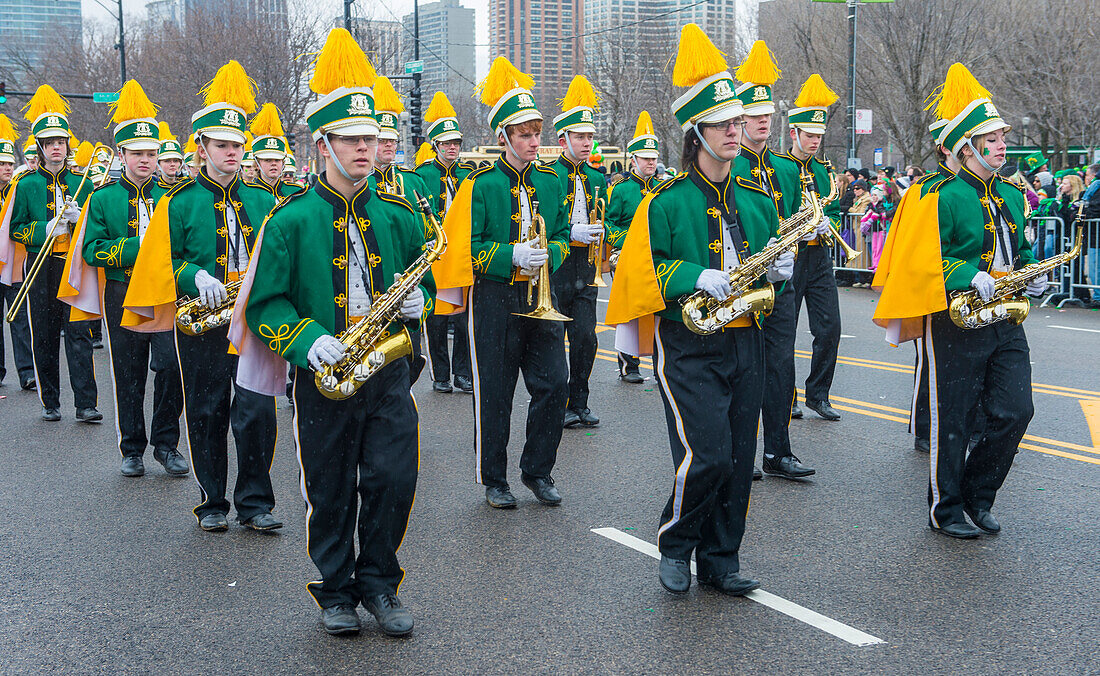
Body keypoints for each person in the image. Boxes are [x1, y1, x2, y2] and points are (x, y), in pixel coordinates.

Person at [238, 28, 428, 637]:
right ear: (323, 145)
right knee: (331, 487)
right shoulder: (290, 219)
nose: (365, 150)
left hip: (388, 367)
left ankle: (381, 583)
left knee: (394, 479)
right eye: (351, 140)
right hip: (325, 371)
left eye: (371, 139)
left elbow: (419, 270)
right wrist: (307, 339)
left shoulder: (398, 214)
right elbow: (264, 305)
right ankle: (337, 589)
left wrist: (417, 303)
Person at [607, 24, 792, 596]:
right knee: (707, 453)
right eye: (723, 124)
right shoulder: (664, 202)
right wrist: (695, 276)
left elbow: (771, 281)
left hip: (746, 338)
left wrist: (778, 276)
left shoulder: (760, 202)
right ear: (696, 133)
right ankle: (676, 541)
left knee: (738, 458)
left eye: (738, 123)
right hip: (688, 341)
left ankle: (721, 557)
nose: (736, 133)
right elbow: (645, 274)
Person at [875, 63, 1041, 538]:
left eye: (1002, 136)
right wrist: (970, 274)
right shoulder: (935, 194)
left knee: (1016, 409)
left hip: (1004, 316)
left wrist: (1030, 274)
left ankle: (977, 496)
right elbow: (920, 259)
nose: (1002, 144)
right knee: (954, 416)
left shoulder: (1011, 195)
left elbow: (1020, 249)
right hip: (955, 315)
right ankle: (945, 509)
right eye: (992, 138)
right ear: (967, 146)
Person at [123, 61, 280, 533]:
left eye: (237, 145)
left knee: (256, 412)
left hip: (254, 321)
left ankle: (254, 501)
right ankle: (212, 501)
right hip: (202, 322)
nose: (232, 153)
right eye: (222, 145)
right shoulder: (178, 201)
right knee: (208, 409)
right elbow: (159, 262)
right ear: (202, 147)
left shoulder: (264, 200)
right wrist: (193, 275)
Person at [432, 56, 570, 509]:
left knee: (554, 385)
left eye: (536, 132)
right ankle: (495, 479)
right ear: (503, 137)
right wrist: (509, 254)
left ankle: (537, 471)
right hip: (494, 300)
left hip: (540, 296)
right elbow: (462, 248)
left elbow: (566, 233)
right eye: (524, 134)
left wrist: (554, 252)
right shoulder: (480, 185)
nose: (534, 141)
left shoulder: (552, 181)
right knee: (495, 392)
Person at [65, 80, 186, 478]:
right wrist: (140, 246)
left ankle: (166, 444)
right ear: (122, 154)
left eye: (152, 153)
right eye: (138, 154)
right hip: (121, 289)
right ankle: (131, 446)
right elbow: (91, 249)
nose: (146, 161)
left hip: (165, 292)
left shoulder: (174, 195)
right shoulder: (102, 198)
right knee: (129, 371)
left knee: (170, 367)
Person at [732, 40, 819, 480]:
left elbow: (791, 215)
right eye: (753, 115)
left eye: (767, 115)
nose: (763, 121)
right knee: (745, 369)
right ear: (738, 121)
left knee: (781, 367)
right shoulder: (730, 164)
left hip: (780, 282)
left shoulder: (786, 168)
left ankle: (778, 451)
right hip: (744, 282)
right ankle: (742, 452)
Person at [1, 85, 100, 423]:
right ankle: (50, 401)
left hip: (73, 265)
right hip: (40, 265)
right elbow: (15, 228)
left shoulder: (83, 181)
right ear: (40, 148)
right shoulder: (26, 184)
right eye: (49, 143)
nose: (56, 148)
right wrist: (43, 229)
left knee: (79, 335)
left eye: (60, 142)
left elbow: (96, 227)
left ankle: (86, 403)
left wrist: (79, 221)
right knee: (43, 333)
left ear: (67, 146)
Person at [777, 74, 843, 422]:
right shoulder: (779, 166)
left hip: (820, 257)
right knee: (785, 331)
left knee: (830, 327)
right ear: (794, 134)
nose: (816, 142)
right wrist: (796, 226)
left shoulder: (823, 169)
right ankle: (786, 397)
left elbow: (831, 204)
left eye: (819, 136)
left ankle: (819, 394)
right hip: (792, 255)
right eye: (810, 135)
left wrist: (827, 219)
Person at [549, 75, 606, 428]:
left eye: (589, 136)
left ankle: (579, 401)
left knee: (585, 338)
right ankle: (558, 404)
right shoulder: (549, 174)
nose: (587, 143)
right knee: (554, 342)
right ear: (563, 139)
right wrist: (573, 231)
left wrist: (603, 234)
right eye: (580, 137)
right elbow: (548, 222)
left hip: (586, 269)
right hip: (558, 269)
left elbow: (608, 218)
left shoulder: (597, 178)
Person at [416, 91, 475, 394]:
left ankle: (463, 373)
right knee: (437, 318)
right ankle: (441, 374)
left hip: (463, 252)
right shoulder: (422, 174)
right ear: (435, 145)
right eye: (446, 143)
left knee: (463, 317)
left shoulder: (468, 173)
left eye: (456, 143)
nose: (452, 148)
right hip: (434, 253)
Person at [605, 110, 660, 384]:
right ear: (634, 159)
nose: (650, 163)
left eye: (653, 158)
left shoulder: (664, 187)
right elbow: (608, 224)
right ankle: (629, 364)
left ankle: (660, 360)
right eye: (646, 158)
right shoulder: (621, 189)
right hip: (626, 256)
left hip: (656, 256)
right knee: (630, 311)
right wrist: (628, 240)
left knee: (657, 308)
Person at [0, 115, 36, 391]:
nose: (6, 168)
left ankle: (26, 372)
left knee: (20, 319)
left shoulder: (18, 189)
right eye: (2, 163)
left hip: (14, 264)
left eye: (9, 164)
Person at [247, 103, 301, 200]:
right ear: (257, 165)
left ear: (283, 163)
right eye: (268, 160)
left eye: (277, 160)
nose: (273, 164)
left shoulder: (296, 192)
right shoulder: (247, 195)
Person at [156, 121, 184, 188]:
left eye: (176, 161)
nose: (172, 164)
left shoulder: (187, 189)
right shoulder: (152, 190)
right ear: (158, 166)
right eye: (167, 161)